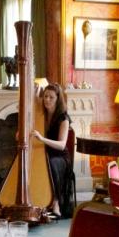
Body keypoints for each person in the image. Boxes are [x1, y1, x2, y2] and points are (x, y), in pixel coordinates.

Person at [31, 83, 74, 219]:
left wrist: (41, 139)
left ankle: (55, 203)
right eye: (45, 96)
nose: (47, 100)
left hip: (60, 157)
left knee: (50, 163)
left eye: (51, 97)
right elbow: (33, 102)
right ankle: (36, 199)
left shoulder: (63, 118)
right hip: (45, 153)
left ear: (57, 99)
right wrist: (35, 93)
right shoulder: (41, 115)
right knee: (35, 161)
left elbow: (61, 145)